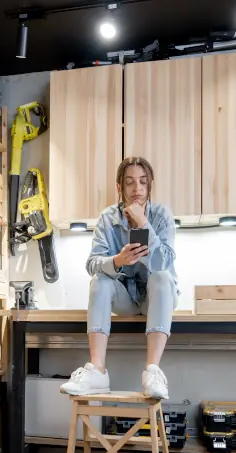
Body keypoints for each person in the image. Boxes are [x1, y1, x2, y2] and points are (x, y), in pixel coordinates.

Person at [60, 157, 177, 399]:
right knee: (100, 280)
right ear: (120, 187)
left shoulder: (161, 215)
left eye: (143, 182)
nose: (137, 189)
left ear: (150, 185)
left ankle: (153, 371)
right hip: (124, 299)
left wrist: (144, 223)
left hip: (155, 298)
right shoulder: (107, 218)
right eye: (130, 182)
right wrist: (117, 261)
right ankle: (97, 371)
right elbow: (92, 264)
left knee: (162, 277)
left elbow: (163, 262)